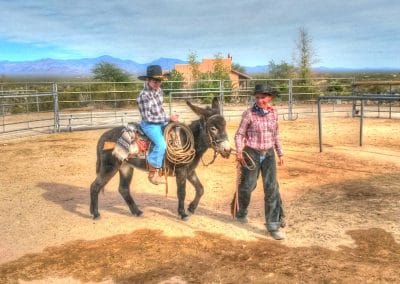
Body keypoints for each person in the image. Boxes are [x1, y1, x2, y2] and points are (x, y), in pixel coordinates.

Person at [234, 84, 285, 240]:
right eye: (257, 97)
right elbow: (239, 135)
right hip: (251, 153)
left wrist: (280, 152)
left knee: (271, 188)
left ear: (269, 98)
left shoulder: (274, 114)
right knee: (248, 185)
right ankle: (241, 211)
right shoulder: (249, 114)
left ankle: (273, 225)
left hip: (269, 154)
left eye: (263, 97)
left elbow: (276, 135)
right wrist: (239, 150)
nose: (259, 100)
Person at [137, 65, 178, 185]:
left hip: (161, 121)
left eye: (159, 81)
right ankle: (152, 171)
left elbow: (159, 109)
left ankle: (167, 166)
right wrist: (168, 118)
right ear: (148, 80)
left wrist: (168, 119)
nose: (157, 84)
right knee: (161, 145)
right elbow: (148, 117)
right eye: (155, 81)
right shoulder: (143, 96)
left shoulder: (159, 91)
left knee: (176, 136)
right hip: (150, 125)